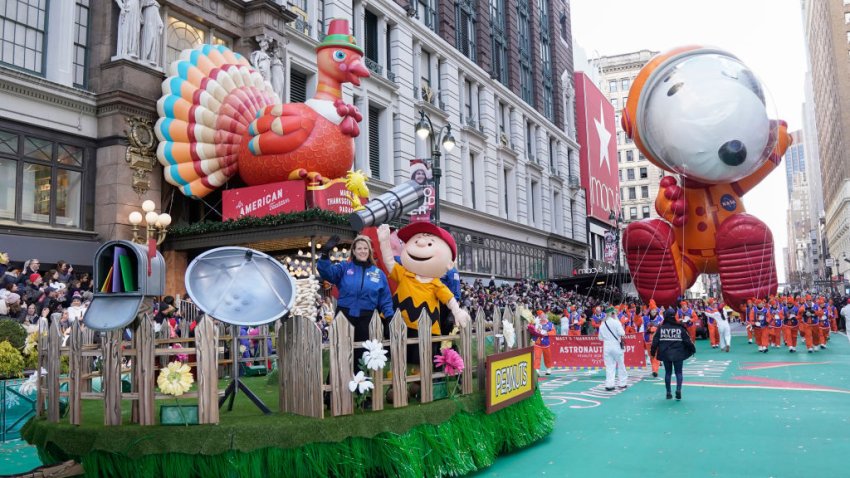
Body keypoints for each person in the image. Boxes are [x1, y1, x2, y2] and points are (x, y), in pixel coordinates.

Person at [317, 234, 394, 370]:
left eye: (365, 248)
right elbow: (327, 273)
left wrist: (389, 317)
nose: (362, 251)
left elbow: (385, 299)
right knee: (340, 353)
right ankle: (333, 387)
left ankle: (360, 389)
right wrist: (324, 255)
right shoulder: (344, 268)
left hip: (366, 318)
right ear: (353, 251)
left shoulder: (378, 273)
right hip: (344, 315)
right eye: (359, 248)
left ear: (369, 251)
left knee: (362, 356)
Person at [651, 309, 695, 400]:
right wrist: (692, 349)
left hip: (665, 354)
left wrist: (652, 352)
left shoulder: (661, 328)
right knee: (679, 373)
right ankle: (678, 390)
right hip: (678, 354)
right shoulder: (680, 328)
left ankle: (668, 393)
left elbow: (655, 341)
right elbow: (687, 341)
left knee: (668, 373)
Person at [598, 306, 628, 391]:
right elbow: (622, 333)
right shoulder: (616, 322)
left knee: (609, 366)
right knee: (621, 364)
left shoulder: (602, 324)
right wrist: (618, 320)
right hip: (616, 345)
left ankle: (609, 384)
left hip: (607, 346)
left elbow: (600, 338)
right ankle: (622, 383)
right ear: (613, 313)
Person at [140, 0, 163, 65]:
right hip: (148, 19)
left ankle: (151, 58)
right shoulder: (148, 2)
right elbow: (141, 4)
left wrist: (160, 23)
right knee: (149, 37)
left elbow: (157, 14)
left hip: (154, 22)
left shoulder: (156, 5)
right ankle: (145, 57)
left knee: (154, 40)